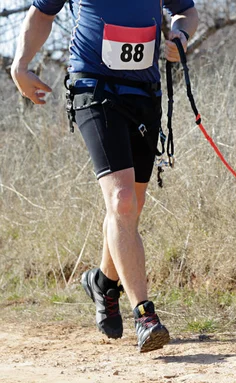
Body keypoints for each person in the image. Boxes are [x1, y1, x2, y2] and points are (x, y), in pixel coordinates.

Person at [11, 1, 199, 353]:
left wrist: (180, 34)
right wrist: (20, 65)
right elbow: (41, 13)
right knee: (122, 200)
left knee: (131, 205)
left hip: (145, 93)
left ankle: (102, 281)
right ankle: (145, 316)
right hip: (93, 88)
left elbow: (187, 11)